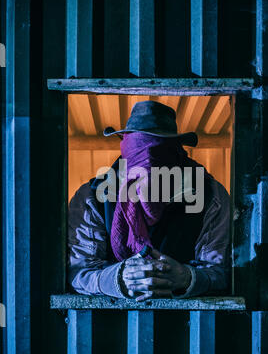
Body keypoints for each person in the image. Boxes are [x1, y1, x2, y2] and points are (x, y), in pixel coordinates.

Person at [68, 100, 230, 301]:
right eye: (141, 150)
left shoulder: (210, 195)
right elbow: (80, 271)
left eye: (159, 151)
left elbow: (221, 272)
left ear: (176, 153)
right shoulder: (93, 197)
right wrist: (119, 279)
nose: (149, 161)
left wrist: (187, 278)